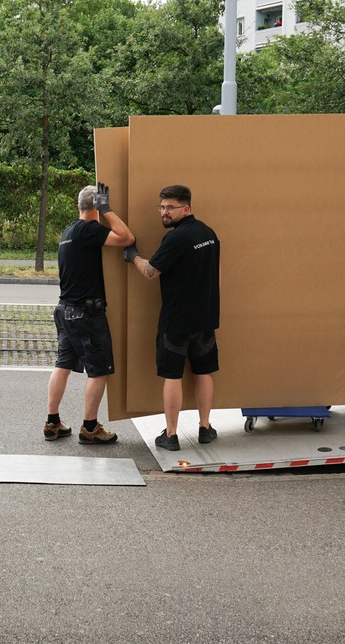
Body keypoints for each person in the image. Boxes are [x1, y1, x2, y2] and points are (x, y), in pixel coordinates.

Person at [123, 185, 220, 452]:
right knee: (203, 371)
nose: (164, 213)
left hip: (177, 321)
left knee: (173, 375)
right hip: (206, 318)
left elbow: (151, 272)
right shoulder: (209, 234)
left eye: (170, 208)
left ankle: (172, 434)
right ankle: (205, 427)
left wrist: (134, 256)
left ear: (185, 209)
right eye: (162, 207)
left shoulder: (176, 238)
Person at [45, 183, 135, 445]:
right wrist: (106, 209)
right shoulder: (89, 229)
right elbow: (127, 238)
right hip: (85, 313)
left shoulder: (69, 231)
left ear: (78, 206)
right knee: (98, 371)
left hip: (64, 311)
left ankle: (52, 423)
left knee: (62, 365)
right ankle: (90, 428)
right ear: (94, 208)